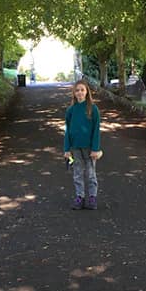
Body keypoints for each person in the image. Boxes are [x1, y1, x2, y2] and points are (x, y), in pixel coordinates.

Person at [64, 79, 101, 210]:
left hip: (89, 148)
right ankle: (80, 196)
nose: (80, 92)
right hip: (75, 148)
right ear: (74, 93)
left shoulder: (93, 109)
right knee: (77, 173)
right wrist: (67, 149)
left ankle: (92, 197)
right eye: (77, 90)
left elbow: (96, 130)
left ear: (87, 92)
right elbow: (67, 130)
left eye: (82, 90)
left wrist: (95, 148)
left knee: (91, 173)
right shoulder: (71, 110)